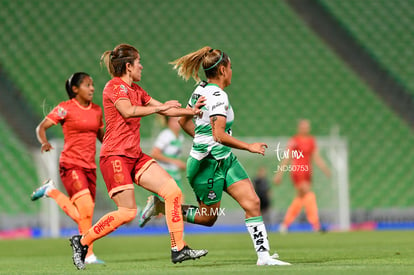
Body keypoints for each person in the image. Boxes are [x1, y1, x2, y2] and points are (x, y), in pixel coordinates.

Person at [140, 46, 291, 266]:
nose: (232, 71)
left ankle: (264, 257)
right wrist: (249, 147)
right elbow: (219, 135)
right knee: (208, 218)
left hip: (223, 158)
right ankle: (160, 207)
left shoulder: (200, 89)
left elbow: (183, 121)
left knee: (252, 202)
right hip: (206, 165)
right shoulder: (219, 96)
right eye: (230, 67)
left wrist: (203, 138)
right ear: (222, 70)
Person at [68, 44, 208, 270]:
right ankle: (81, 241)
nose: (141, 66)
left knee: (173, 192)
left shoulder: (138, 91)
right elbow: (128, 111)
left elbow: (165, 109)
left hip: (134, 156)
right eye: (138, 62)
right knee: (128, 212)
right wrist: (159, 108)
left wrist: (191, 111)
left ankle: (178, 248)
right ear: (128, 66)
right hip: (115, 156)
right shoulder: (114, 87)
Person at [31, 72, 105, 264]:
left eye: (92, 85)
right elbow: (41, 127)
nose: (92, 88)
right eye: (87, 85)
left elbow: (102, 136)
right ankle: (88, 255)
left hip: (90, 167)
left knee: (85, 213)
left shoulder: (96, 110)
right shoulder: (65, 109)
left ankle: (51, 190)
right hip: (71, 164)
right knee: (86, 208)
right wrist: (44, 142)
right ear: (75, 89)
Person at [273, 119, 331, 233]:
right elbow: (287, 157)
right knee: (308, 194)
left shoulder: (311, 140)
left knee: (300, 198)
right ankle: (315, 224)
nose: (305, 129)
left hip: (307, 172)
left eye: (307, 126)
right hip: (298, 170)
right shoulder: (294, 140)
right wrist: (279, 173)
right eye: (303, 126)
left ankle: (285, 225)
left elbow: (316, 157)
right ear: (299, 128)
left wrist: (325, 169)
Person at [138, 116, 186, 226]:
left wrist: (178, 164)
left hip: (175, 175)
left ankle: (150, 210)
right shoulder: (166, 135)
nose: (177, 123)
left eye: (179, 120)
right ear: (168, 122)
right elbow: (155, 153)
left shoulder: (180, 137)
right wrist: (175, 162)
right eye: (174, 120)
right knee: (175, 208)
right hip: (164, 175)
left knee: (176, 207)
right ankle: (139, 212)